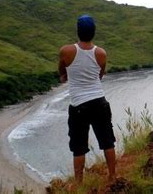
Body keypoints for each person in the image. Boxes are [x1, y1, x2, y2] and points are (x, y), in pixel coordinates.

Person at [58, 15, 116, 184]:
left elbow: (62, 73)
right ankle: (112, 177)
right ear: (94, 32)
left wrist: (67, 76)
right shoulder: (101, 53)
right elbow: (100, 75)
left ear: (78, 31)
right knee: (108, 141)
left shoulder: (66, 51)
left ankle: (79, 184)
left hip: (78, 106)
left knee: (78, 148)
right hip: (99, 101)